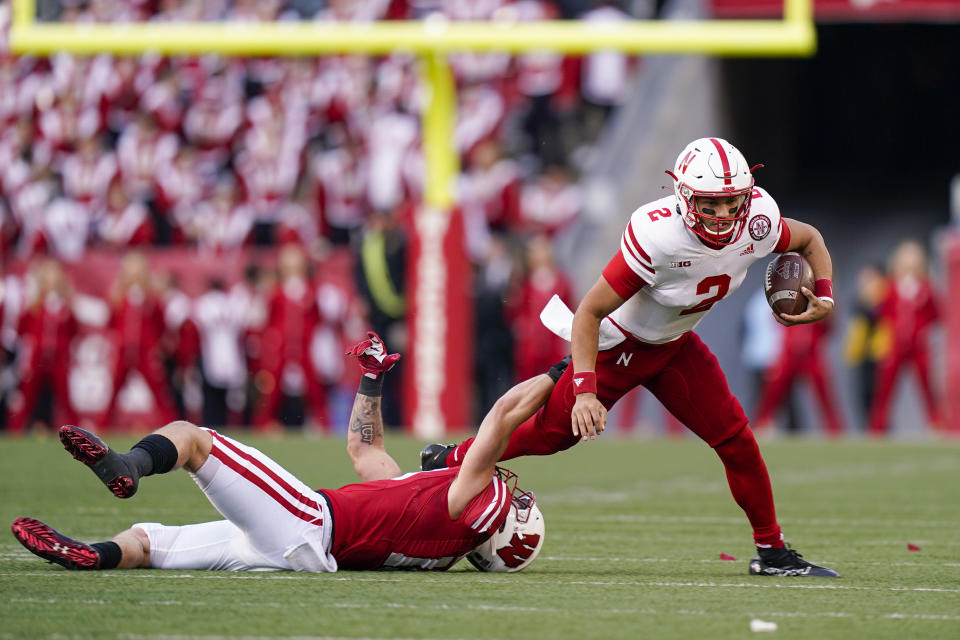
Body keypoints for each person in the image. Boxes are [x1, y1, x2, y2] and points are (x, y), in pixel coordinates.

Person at [423, 138, 839, 577]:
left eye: (731, 202)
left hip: (676, 345)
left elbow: (809, 238)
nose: (722, 217)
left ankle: (772, 552)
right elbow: (589, 311)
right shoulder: (658, 236)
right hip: (619, 344)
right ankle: (456, 458)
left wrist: (825, 295)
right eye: (710, 205)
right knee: (551, 436)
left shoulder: (758, 220)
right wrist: (585, 392)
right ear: (683, 197)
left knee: (737, 441)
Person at [11, 333, 549, 574]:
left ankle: (127, 466)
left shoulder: (461, 507)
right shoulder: (436, 526)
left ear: (499, 522)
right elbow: (366, 450)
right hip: (295, 550)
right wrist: (371, 379)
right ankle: (92, 555)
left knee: (194, 438)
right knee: (152, 542)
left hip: (308, 523)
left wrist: (568, 368)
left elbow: (501, 416)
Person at [867, 240, 942, 435]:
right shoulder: (890, 286)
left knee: (927, 388)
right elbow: (880, 312)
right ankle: (878, 429)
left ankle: (936, 424)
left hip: (919, 346)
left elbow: (936, 314)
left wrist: (923, 329)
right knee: (885, 389)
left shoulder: (926, 287)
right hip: (894, 346)